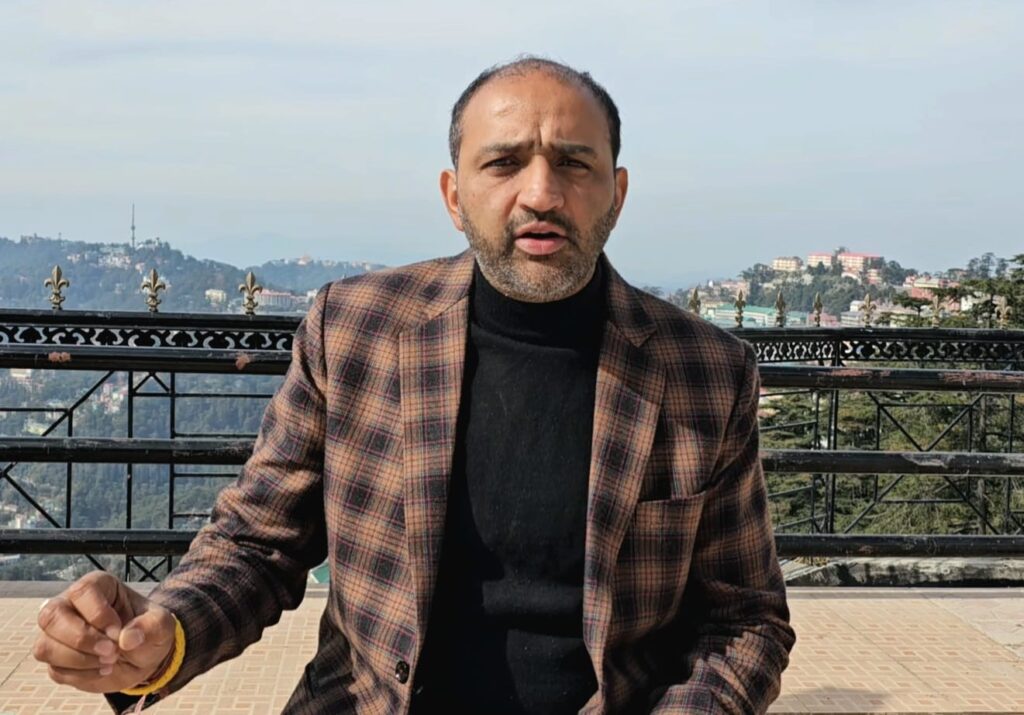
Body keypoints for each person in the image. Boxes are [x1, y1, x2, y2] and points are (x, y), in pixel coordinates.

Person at [34, 57, 795, 714]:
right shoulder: (355, 330)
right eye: (503, 163)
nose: (541, 192)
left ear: (617, 192)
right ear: (453, 194)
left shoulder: (703, 373)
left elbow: (745, 619)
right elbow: (257, 545)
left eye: (574, 163)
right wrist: (162, 634)